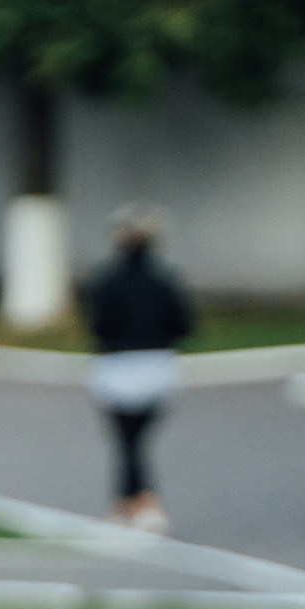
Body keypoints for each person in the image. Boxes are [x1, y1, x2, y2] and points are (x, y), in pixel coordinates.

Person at [84, 205, 194, 534]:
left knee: (128, 441)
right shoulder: (165, 280)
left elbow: (99, 326)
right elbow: (183, 325)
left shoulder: (106, 281)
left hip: (117, 369)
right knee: (133, 440)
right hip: (159, 368)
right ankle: (126, 502)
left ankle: (143, 501)